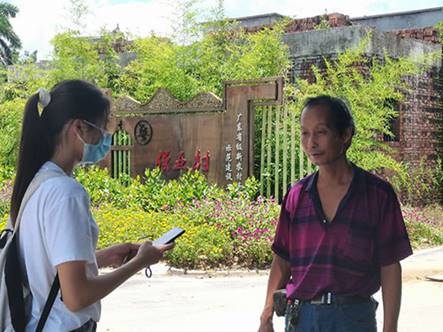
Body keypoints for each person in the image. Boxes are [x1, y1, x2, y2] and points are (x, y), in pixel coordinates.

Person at [11, 80, 173, 331]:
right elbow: (77, 297)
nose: (104, 139)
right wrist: (139, 262)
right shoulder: (66, 193)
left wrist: (104, 257)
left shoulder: (36, 185)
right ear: (78, 128)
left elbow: (47, 269)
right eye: (101, 128)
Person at [258, 95, 413, 332]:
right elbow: (282, 259)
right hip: (302, 318)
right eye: (305, 133)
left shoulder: (377, 195)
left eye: (320, 132)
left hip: (354, 318)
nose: (311, 143)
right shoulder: (296, 196)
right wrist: (266, 316)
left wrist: (390, 328)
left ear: (345, 134)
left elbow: (390, 266)